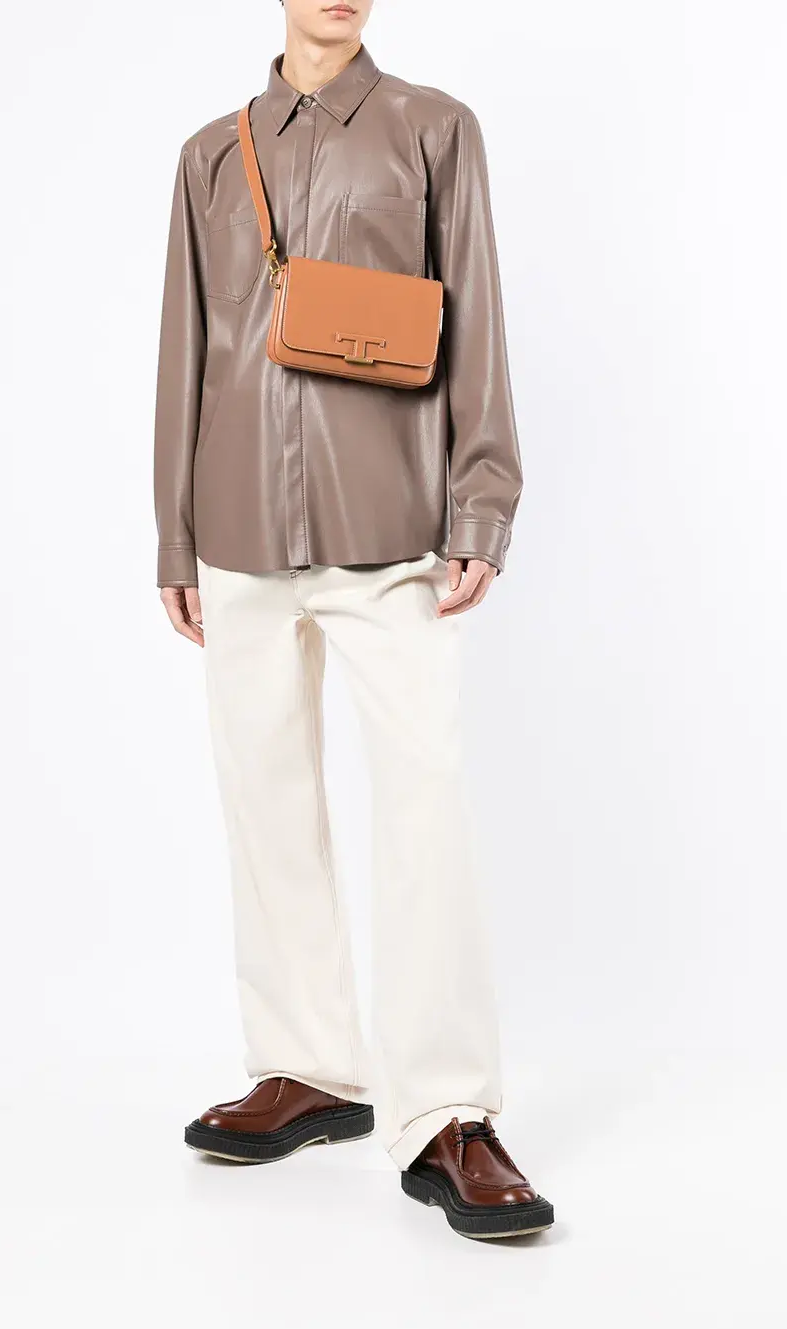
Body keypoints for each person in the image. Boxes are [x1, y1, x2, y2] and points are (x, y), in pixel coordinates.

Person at [154, 0, 553, 1240]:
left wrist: (482, 500)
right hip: (237, 528)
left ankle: (448, 1111)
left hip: (389, 524)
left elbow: (475, 318)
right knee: (264, 798)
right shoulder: (210, 154)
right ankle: (309, 1066)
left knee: (422, 801)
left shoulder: (434, 129)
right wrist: (174, 530)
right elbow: (185, 348)